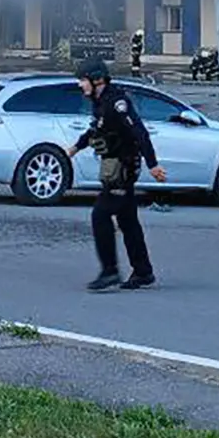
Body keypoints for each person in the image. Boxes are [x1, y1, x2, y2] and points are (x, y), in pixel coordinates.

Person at [69, 57, 166, 292]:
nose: (80, 85)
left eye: (83, 80)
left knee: (100, 215)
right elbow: (96, 129)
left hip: (123, 168)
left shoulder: (117, 102)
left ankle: (109, 271)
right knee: (127, 220)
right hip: (114, 166)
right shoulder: (100, 102)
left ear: (96, 80)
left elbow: (140, 132)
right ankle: (143, 271)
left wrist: (153, 165)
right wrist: (75, 148)